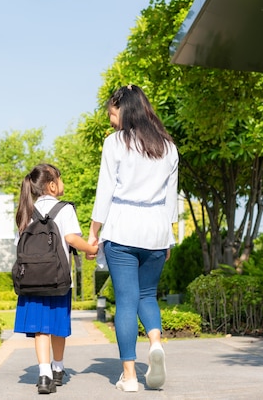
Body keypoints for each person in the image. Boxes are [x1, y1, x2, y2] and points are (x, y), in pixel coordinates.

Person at [87, 85, 178, 392]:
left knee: (126, 301)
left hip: (122, 227)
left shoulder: (115, 143)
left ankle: (130, 377)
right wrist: (169, 237)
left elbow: (105, 191)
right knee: (147, 295)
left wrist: (94, 231)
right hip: (156, 230)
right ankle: (155, 342)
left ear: (123, 110)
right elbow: (171, 200)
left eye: (112, 114)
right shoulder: (168, 147)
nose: (111, 121)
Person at [13, 163, 98, 395]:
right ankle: (58, 369)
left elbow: (18, 245)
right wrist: (91, 248)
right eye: (60, 179)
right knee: (58, 326)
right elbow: (71, 238)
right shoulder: (65, 209)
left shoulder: (25, 211)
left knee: (41, 329)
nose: (62, 183)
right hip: (59, 280)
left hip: (31, 281)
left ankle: (44, 374)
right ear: (52, 185)